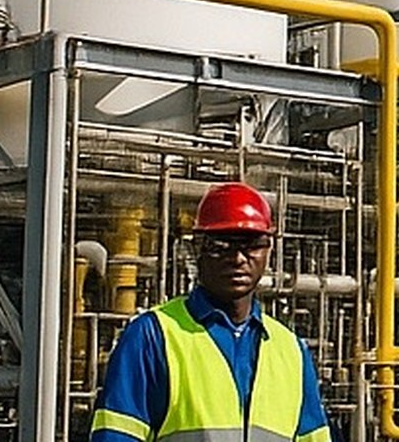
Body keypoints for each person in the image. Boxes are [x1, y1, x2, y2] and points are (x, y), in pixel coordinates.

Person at [90, 182, 332, 442]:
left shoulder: (291, 352)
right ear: (197, 249)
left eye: (251, 244)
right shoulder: (153, 336)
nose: (238, 257)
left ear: (268, 250)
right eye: (221, 244)